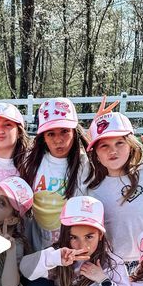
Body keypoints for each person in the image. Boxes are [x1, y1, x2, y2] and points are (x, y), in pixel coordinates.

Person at [85, 109, 143, 272]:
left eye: (120, 143)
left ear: (131, 146)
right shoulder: (93, 190)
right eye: (104, 145)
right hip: (114, 265)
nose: (113, 150)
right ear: (96, 154)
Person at [20, 97, 99, 250]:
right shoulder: (32, 161)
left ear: (74, 132)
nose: (58, 140)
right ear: (43, 136)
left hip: (71, 246)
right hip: (38, 244)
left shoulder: (85, 164)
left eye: (64, 131)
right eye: (51, 134)